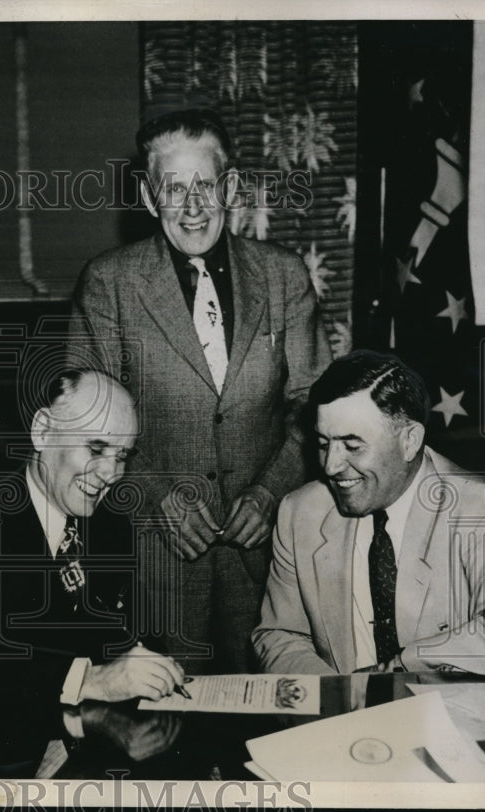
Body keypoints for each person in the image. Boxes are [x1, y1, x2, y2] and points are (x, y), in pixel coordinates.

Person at [71, 108, 332, 672]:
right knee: (166, 727)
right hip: (156, 557)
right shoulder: (108, 283)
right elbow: (86, 421)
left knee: (267, 717)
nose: (191, 206)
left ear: (230, 187)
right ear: (148, 196)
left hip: (267, 554)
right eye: (173, 187)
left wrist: (268, 494)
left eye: (205, 185)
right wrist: (155, 495)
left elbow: (317, 406)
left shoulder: (282, 276)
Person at [0, 369, 184, 775]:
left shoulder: (110, 525)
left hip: (91, 752)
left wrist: (151, 666)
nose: (112, 474)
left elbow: (138, 634)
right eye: (96, 448)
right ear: (43, 432)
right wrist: (92, 679)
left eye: (123, 455)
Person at [252, 351, 485, 676]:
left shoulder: (482, 509)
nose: (331, 466)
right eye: (323, 444)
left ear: (410, 441)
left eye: (352, 446)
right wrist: (335, 700)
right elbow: (281, 635)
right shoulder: (299, 512)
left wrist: (400, 667)